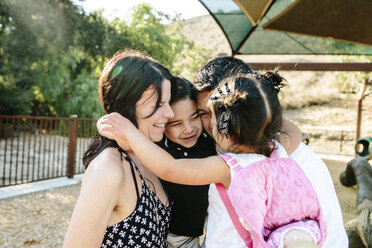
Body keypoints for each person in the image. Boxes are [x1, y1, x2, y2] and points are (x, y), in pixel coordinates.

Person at [98, 72, 325, 248]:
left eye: (208, 119)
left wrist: (130, 132)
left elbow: (170, 168)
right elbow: (288, 130)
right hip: (295, 232)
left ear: (224, 132)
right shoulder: (278, 153)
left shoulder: (228, 167)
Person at [194, 56, 348, 248]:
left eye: (221, 112)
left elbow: (331, 239)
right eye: (203, 114)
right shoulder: (212, 152)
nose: (212, 123)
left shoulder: (302, 165)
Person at [63, 49, 175, 248]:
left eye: (168, 102)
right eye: (159, 104)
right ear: (125, 105)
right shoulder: (109, 169)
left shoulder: (150, 154)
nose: (170, 113)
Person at [157, 76, 216, 247]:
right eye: (176, 123)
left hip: (188, 240)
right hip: (154, 234)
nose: (189, 129)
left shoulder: (211, 144)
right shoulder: (155, 147)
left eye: (195, 117)